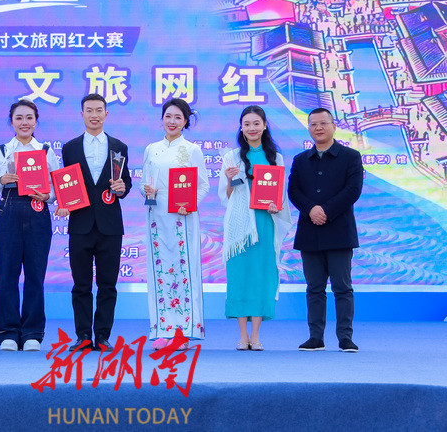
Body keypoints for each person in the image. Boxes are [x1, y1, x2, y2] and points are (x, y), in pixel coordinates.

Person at [55, 94, 133, 351]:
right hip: (80, 224)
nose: (94, 115)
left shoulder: (119, 147)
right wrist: (63, 203)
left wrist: (122, 188)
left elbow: (126, 182)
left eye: (99, 110)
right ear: (82, 114)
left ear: (106, 114)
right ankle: (83, 336)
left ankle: (102, 336)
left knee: (108, 285)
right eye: (89, 110)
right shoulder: (70, 148)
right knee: (81, 285)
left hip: (110, 225)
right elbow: (66, 183)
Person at [0, 99, 60, 352]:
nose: (24, 122)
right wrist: (1, 179)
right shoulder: (3, 150)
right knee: (7, 274)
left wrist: (47, 196)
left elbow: (58, 187)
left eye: (29, 118)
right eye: (19, 118)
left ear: (36, 121)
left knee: (35, 275)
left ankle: (32, 333)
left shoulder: (46, 151)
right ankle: (7, 332)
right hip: (8, 214)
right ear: (11, 122)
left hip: (38, 213)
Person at [287, 107, 363, 353]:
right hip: (310, 232)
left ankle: (345, 337)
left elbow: (353, 190)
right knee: (314, 288)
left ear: (334, 126)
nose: (318, 128)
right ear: (309, 128)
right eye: (313, 124)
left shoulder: (351, 156)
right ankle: (315, 337)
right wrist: (311, 209)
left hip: (340, 231)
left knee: (342, 288)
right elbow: (293, 191)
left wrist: (326, 211)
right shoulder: (301, 160)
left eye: (323, 123)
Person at [218, 106, 291, 351]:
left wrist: (275, 205)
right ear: (241, 127)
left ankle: (256, 335)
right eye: (247, 124)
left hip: (264, 222)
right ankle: (242, 335)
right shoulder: (232, 157)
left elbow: (280, 196)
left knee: (262, 275)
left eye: (256, 123)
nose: (252, 128)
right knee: (239, 275)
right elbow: (227, 196)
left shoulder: (275, 158)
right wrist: (230, 179)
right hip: (239, 227)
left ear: (265, 126)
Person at [141, 98, 210, 350]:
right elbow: (143, 183)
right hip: (156, 216)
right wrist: (145, 190)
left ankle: (183, 331)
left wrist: (190, 204)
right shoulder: (151, 149)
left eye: (178, 117)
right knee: (160, 272)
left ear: (185, 122)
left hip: (183, 217)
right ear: (162, 118)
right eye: (168, 116)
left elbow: (203, 185)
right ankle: (163, 329)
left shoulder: (192, 150)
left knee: (183, 272)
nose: (172, 121)